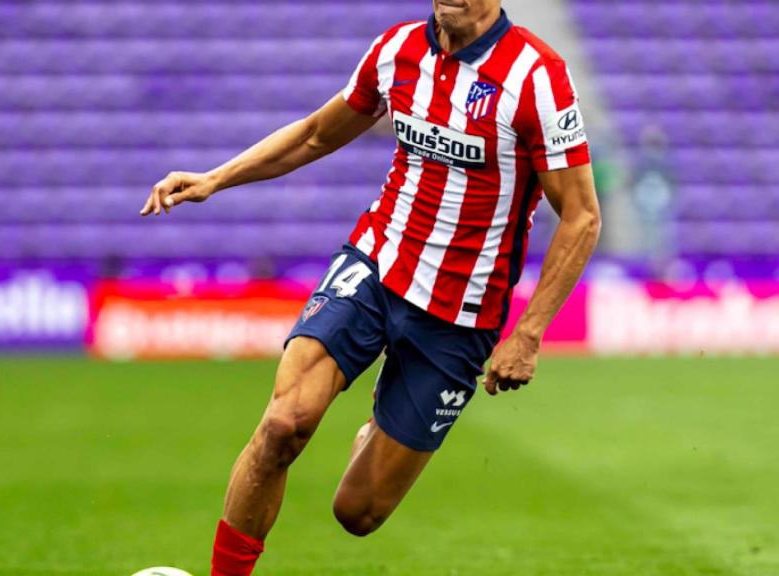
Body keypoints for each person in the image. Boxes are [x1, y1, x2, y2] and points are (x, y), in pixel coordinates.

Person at [140, 1, 601, 574]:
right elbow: (314, 135)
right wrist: (216, 177)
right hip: (376, 266)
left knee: (358, 512)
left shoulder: (537, 77)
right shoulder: (398, 50)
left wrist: (528, 334)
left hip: (460, 313)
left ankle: (379, 421)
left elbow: (581, 216)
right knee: (285, 423)